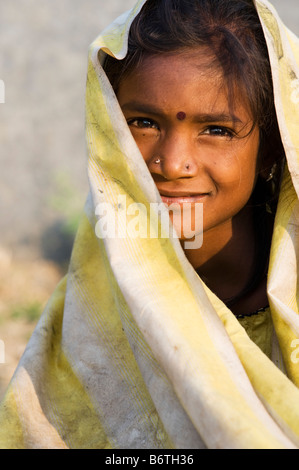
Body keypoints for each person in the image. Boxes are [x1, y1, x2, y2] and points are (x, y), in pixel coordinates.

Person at [0, 0, 299, 449]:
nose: (172, 164)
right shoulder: (94, 305)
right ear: (108, 130)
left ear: (273, 146)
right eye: (142, 123)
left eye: (216, 129)